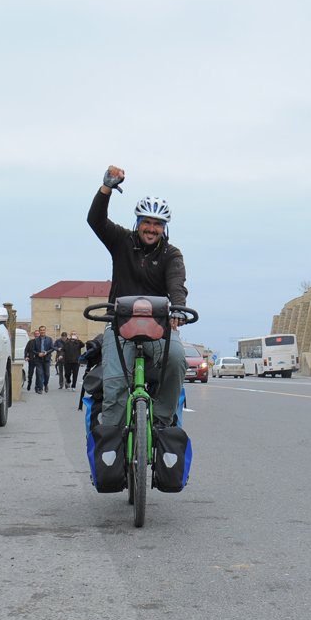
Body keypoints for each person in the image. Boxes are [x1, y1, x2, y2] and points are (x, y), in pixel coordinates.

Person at [87, 164, 187, 429]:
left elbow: (177, 284)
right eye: (146, 222)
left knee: (177, 358)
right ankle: (110, 445)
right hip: (120, 327)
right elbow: (95, 221)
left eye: (157, 224)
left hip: (158, 328)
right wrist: (106, 188)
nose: (151, 229)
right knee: (115, 385)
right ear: (138, 222)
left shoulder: (171, 254)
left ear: (164, 228)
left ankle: (162, 420)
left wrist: (178, 309)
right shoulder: (122, 240)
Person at [34, 325, 54, 393]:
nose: (42, 331)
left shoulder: (49, 339)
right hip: (38, 359)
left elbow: (52, 348)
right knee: (39, 374)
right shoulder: (36, 340)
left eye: (43, 330)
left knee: (47, 374)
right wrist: (38, 354)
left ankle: (46, 384)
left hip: (47, 359)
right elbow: (33, 350)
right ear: (39, 331)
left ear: (45, 331)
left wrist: (46, 352)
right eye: (41, 330)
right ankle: (40, 388)